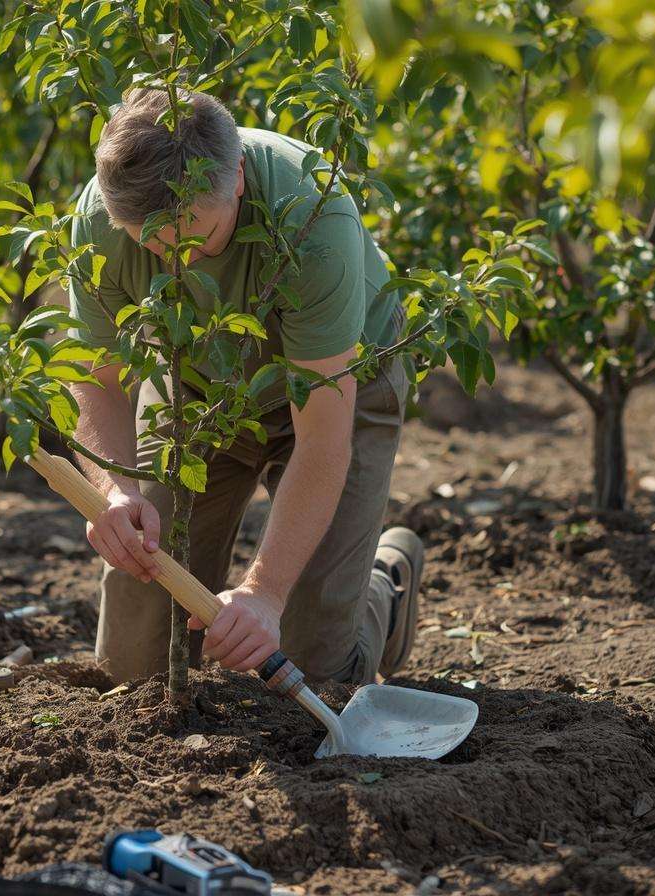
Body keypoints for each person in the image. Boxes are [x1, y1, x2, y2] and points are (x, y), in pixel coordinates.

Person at [64, 87, 422, 685]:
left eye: (196, 239)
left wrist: (264, 594)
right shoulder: (102, 218)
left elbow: (322, 441)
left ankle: (383, 586)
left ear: (235, 178)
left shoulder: (311, 219)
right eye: (151, 246)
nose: (175, 264)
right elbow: (97, 377)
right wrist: (115, 489)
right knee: (134, 671)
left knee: (311, 673)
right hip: (195, 388)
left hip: (336, 390)